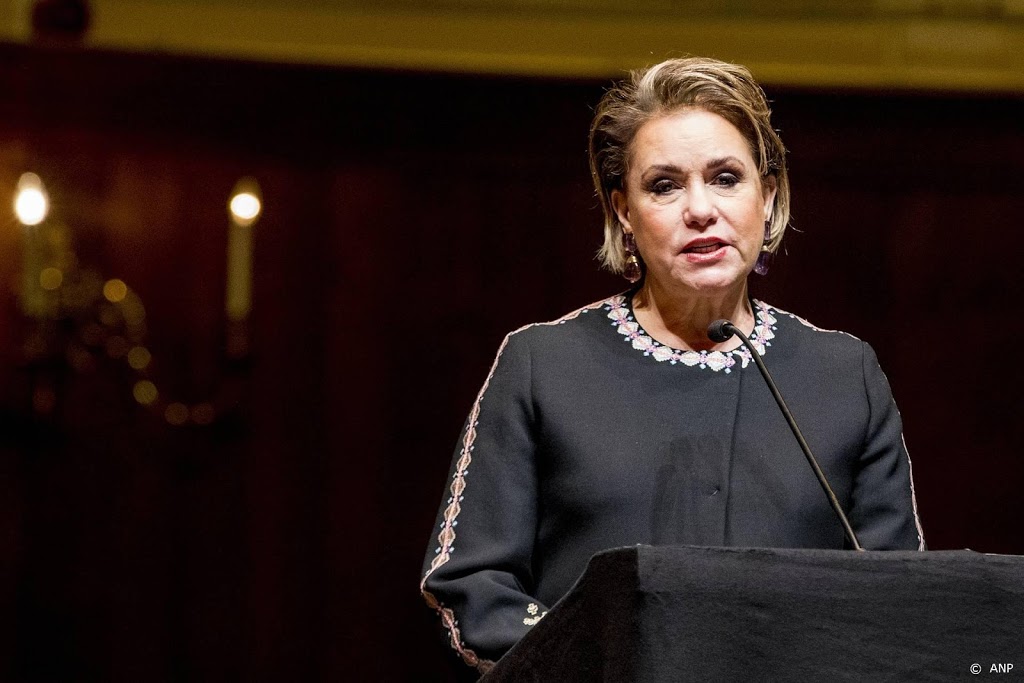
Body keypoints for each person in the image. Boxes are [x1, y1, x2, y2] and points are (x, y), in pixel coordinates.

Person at [420, 56, 925, 676]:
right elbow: (471, 584)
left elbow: (902, 601)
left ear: (767, 197)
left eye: (726, 178)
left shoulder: (845, 374)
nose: (700, 210)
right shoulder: (541, 364)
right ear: (624, 213)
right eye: (664, 185)